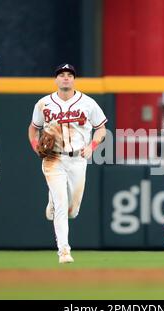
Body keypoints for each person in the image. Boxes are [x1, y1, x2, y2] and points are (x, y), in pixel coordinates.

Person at [28, 63, 107, 263]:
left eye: (69, 75)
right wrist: (36, 145)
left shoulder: (88, 103)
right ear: (56, 79)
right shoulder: (44, 104)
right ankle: (64, 250)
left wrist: (93, 146)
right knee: (62, 206)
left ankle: (53, 201)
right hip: (53, 158)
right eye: (62, 75)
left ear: (74, 79)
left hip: (78, 159)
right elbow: (33, 128)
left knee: (73, 210)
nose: (65, 78)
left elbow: (101, 129)